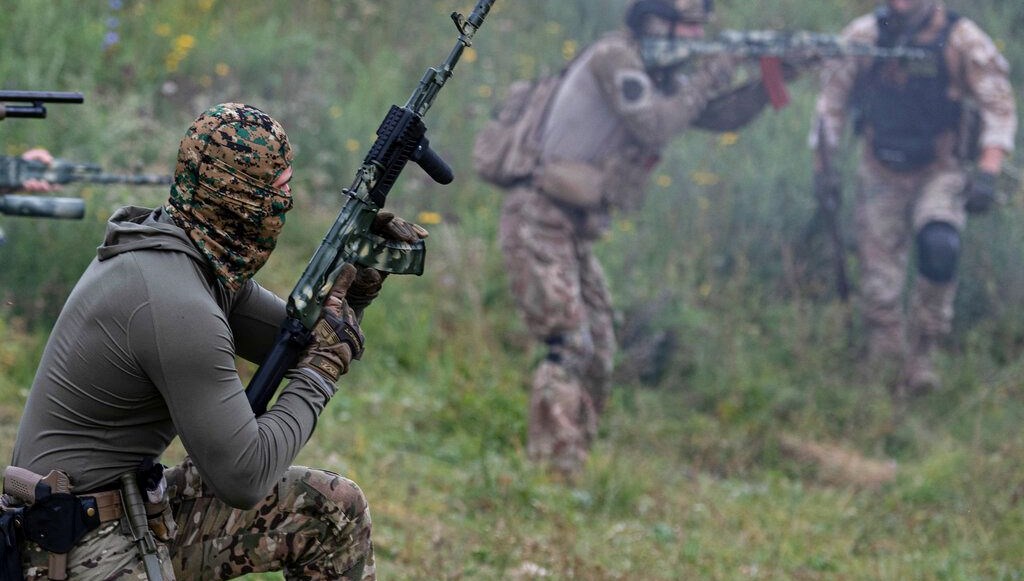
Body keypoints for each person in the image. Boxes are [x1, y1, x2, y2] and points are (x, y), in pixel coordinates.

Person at [3, 103, 426, 580]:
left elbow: (298, 342)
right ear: (246, 203)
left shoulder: (189, 256)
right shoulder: (175, 301)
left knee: (331, 513)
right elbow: (244, 476)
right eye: (281, 190)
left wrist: (356, 284)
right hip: (70, 552)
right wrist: (322, 371)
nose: (287, 204)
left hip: (129, 510)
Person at [494, 0, 795, 478]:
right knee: (571, 343)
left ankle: (569, 468)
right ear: (656, 22)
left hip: (572, 227)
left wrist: (773, 80)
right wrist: (712, 74)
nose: (698, 39)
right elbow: (656, 124)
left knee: (600, 351)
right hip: (539, 215)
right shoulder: (616, 57)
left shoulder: (660, 71)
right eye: (691, 28)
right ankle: (551, 474)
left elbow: (716, 117)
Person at [810, 0, 1017, 397]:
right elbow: (830, 104)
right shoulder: (864, 36)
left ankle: (923, 354)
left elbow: (999, 107)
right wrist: (823, 167)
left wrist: (988, 171)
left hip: (940, 168)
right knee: (879, 283)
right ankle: (884, 371)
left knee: (939, 246)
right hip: (880, 168)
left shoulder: (962, 39)